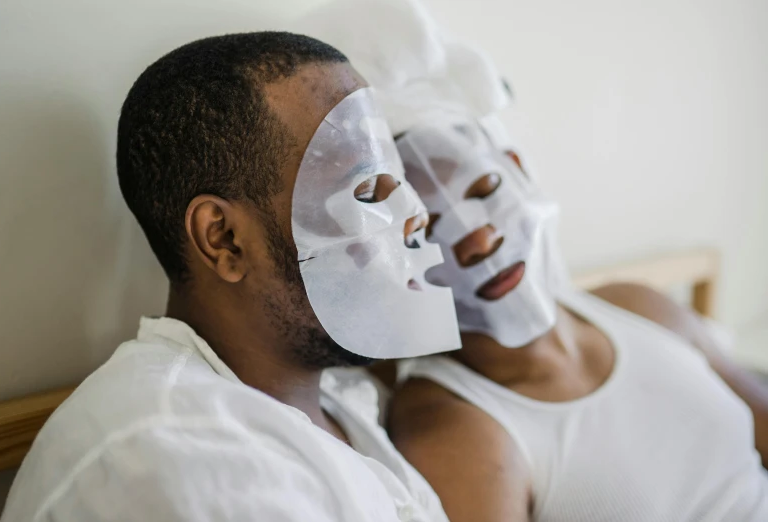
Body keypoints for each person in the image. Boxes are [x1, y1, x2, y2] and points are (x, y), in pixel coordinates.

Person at [299, 1, 768, 521]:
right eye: (427, 227)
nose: (478, 241)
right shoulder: (456, 431)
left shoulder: (640, 306)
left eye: (483, 188)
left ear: (519, 171)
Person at [0, 32, 462, 522]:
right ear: (224, 240)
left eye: (400, 180)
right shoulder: (175, 452)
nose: (415, 216)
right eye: (367, 190)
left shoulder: (332, 401)